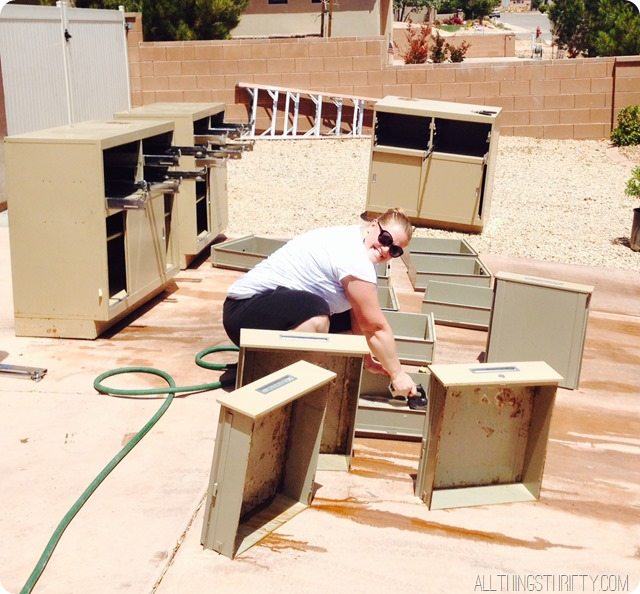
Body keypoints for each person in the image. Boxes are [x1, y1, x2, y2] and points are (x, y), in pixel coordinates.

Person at [222, 208, 418, 397]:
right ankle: (278, 384)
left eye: (394, 250)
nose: (385, 249)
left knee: (338, 323)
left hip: (265, 312)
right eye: (385, 239)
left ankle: (290, 365)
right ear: (374, 225)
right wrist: (397, 374)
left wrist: (365, 357)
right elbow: (374, 327)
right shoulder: (354, 257)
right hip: (244, 313)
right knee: (316, 315)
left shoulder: (358, 243)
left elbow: (358, 315)